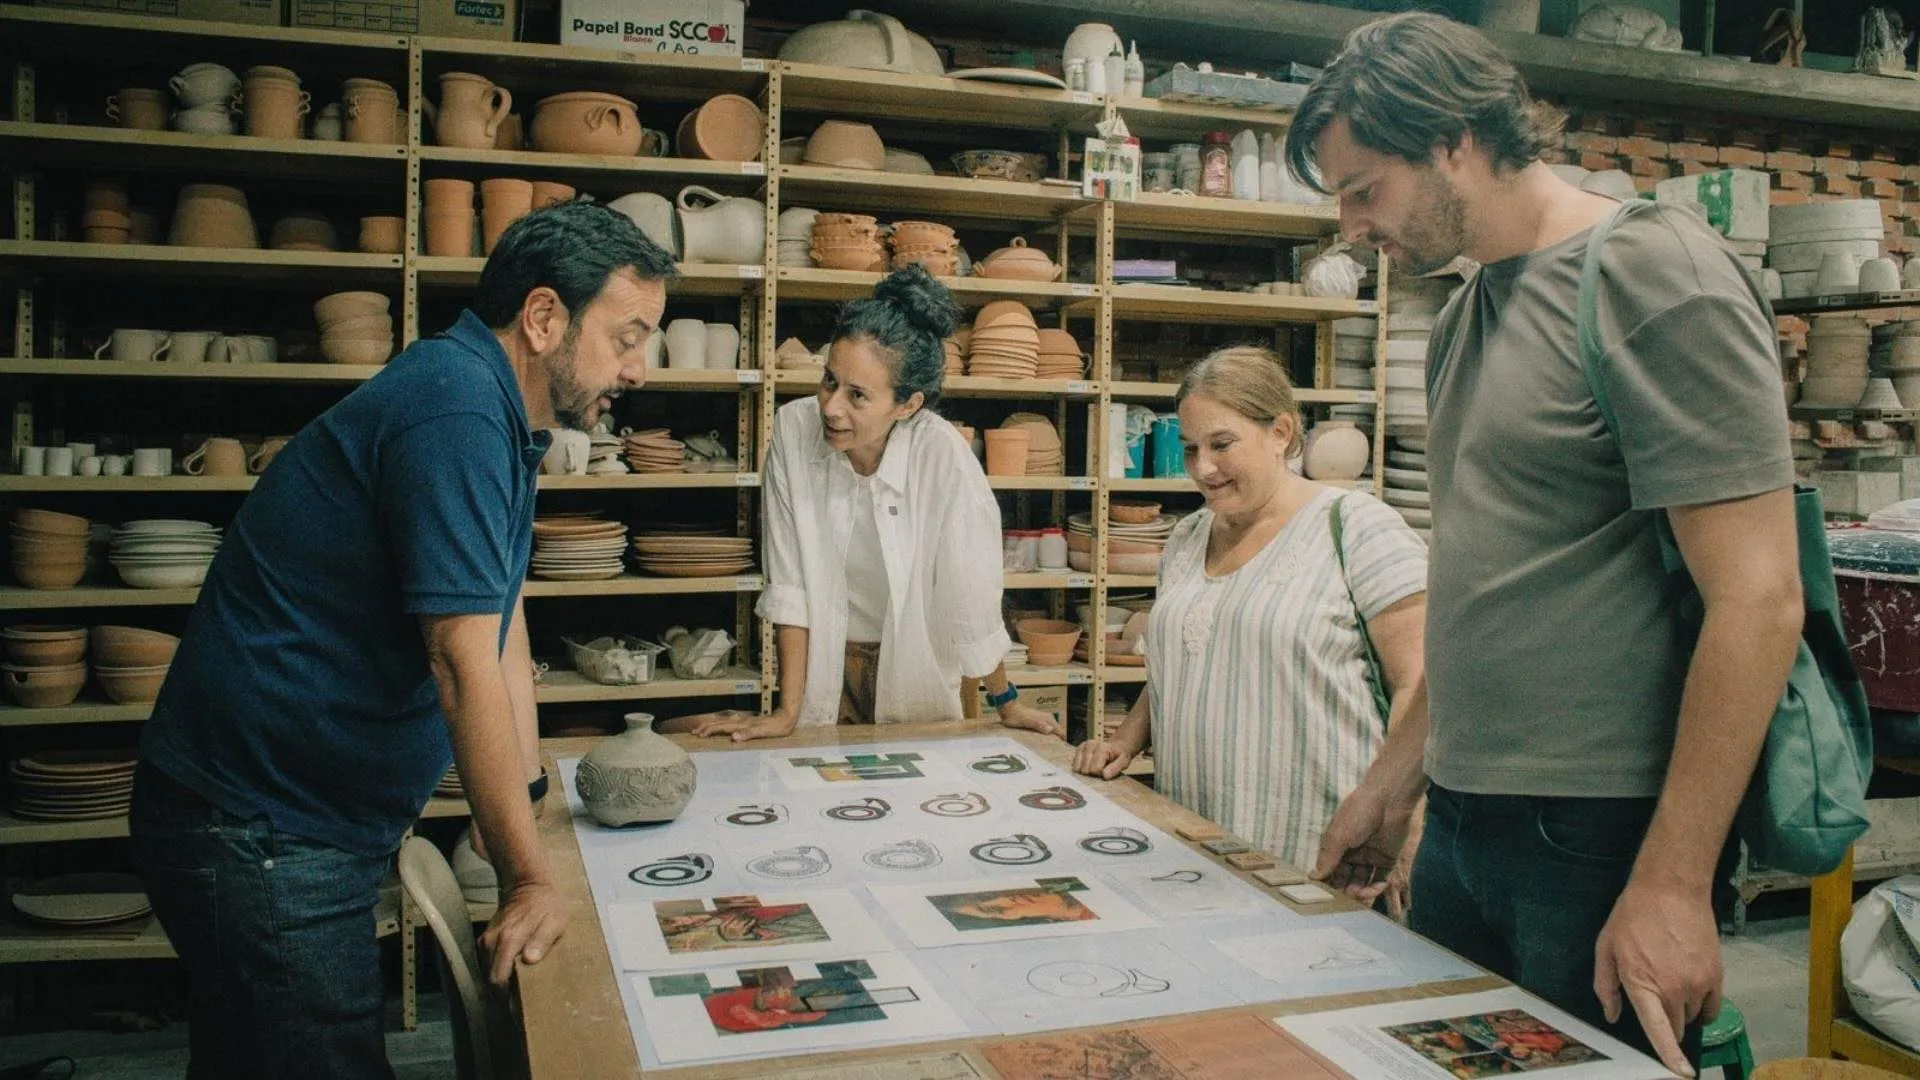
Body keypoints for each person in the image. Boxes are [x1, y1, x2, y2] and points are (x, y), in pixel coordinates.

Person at [1286, 14, 1801, 1075]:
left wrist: (1672, 882)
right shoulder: (1465, 313)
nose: (1351, 228)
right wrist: (1393, 787)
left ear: (1453, 141)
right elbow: (1489, 585)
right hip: (1463, 823)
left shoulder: (1651, 275)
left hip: (1599, 833)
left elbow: (1760, 599)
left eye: (1364, 189)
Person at [130, 200, 674, 1078]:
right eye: (627, 337)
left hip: (282, 815)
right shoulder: (456, 410)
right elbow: (458, 662)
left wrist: (526, 802)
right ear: (543, 318)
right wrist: (528, 878)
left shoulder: (495, 410)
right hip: (261, 826)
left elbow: (499, 619)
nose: (638, 369)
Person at [1070, 346, 1429, 894]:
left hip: (1325, 849)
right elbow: (1185, 659)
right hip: (1197, 841)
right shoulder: (1189, 536)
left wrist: (1401, 816)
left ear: (1280, 432)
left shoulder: (1356, 526)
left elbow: (1420, 685)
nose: (1202, 468)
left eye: (1221, 444)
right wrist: (1126, 739)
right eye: (1190, 448)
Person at [681, 266, 1058, 740]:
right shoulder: (794, 431)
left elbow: (969, 596)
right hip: (825, 661)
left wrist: (1007, 703)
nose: (831, 407)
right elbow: (790, 583)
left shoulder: (942, 455)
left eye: (857, 395)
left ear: (908, 405)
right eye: (829, 381)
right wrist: (786, 712)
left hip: (915, 661)